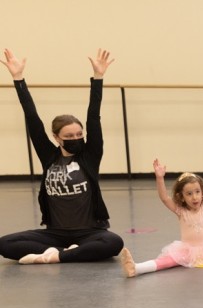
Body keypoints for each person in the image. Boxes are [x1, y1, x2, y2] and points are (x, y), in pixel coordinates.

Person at [0, 49, 124, 264]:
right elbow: (32, 118)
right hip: (55, 232)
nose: (76, 138)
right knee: (4, 244)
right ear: (56, 137)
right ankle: (68, 251)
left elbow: (93, 116)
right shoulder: (49, 156)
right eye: (69, 136)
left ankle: (56, 255)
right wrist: (18, 79)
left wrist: (98, 78)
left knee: (113, 243)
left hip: (89, 232)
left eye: (79, 134)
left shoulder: (90, 155)